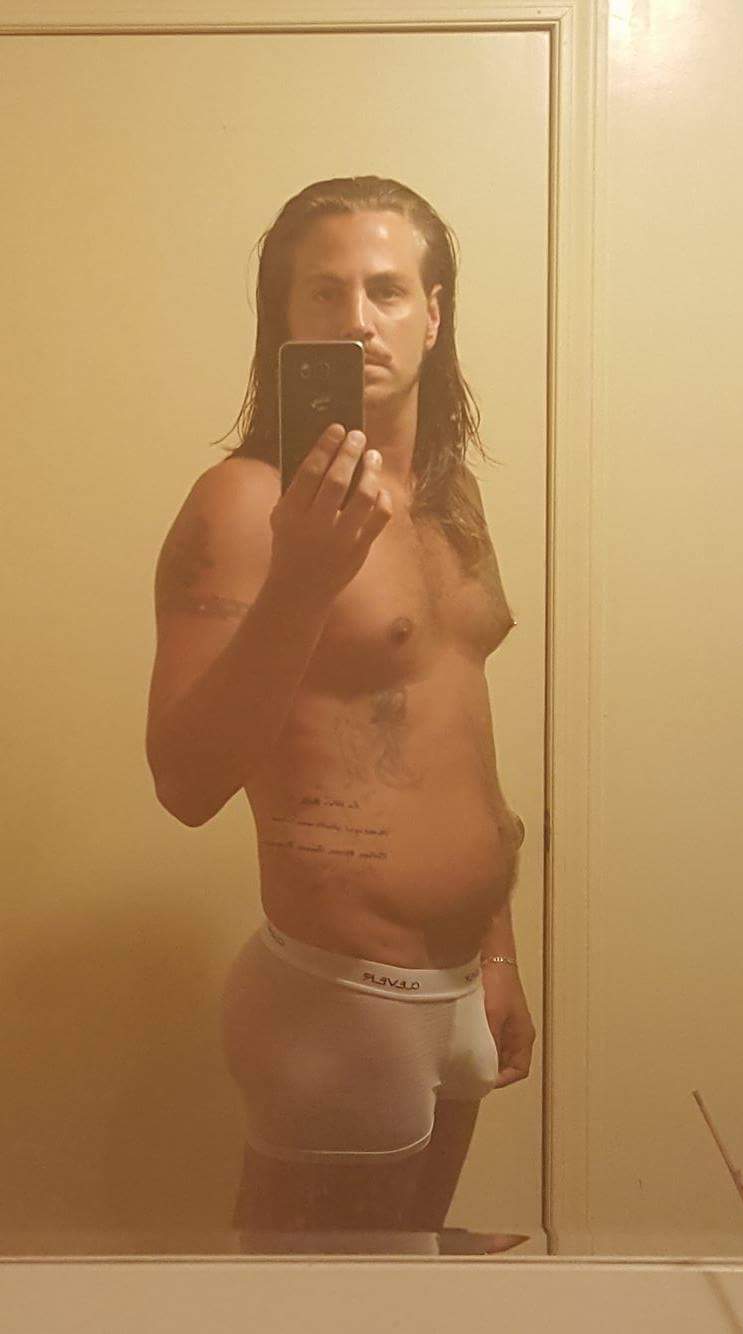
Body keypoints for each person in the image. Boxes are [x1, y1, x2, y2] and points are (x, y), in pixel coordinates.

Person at [146, 175, 536, 1237]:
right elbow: (184, 781)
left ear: (433, 314)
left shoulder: (451, 501)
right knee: (316, 1304)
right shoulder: (244, 505)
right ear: (283, 319)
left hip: (460, 985)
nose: (357, 319)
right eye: (324, 293)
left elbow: (460, 737)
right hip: (340, 1000)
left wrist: (498, 951)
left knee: (405, 1288)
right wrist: (303, 583)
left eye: (387, 290)